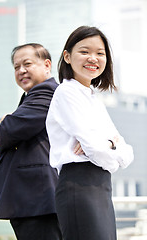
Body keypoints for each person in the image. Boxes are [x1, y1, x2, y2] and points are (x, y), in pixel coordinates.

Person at [46, 26, 134, 240]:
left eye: (100, 53)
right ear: (67, 56)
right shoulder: (66, 92)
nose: (93, 58)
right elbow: (95, 148)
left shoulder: (92, 97)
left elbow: (127, 152)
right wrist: (110, 149)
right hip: (79, 185)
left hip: (101, 187)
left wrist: (109, 145)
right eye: (84, 51)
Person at [0, 43, 62, 240]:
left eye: (27, 64)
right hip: (31, 201)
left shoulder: (47, 92)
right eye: (16, 67)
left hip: (38, 200)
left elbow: (7, 132)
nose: (21, 71)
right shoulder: (30, 97)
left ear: (47, 65)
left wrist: (2, 124)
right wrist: (1, 126)